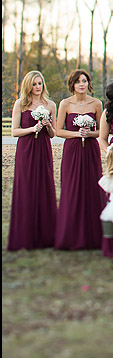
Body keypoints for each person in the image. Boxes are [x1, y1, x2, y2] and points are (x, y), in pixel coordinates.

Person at [55, 69, 106, 251]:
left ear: (88, 83)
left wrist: (90, 133)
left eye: (84, 80)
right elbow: (58, 130)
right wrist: (76, 134)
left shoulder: (97, 104)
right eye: (78, 81)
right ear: (73, 85)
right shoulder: (65, 104)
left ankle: (94, 236)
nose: (81, 84)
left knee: (92, 187)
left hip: (91, 149)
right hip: (72, 150)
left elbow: (102, 130)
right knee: (72, 188)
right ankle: (71, 235)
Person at [8, 70, 57, 251]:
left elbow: (53, 135)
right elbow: (14, 131)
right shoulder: (20, 104)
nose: (38, 87)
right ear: (28, 85)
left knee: (44, 186)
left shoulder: (50, 105)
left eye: (40, 83)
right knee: (26, 186)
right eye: (34, 84)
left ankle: (45, 235)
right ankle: (24, 235)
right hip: (26, 149)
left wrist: (48, 125)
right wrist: (32, 129)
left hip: (43, 148)